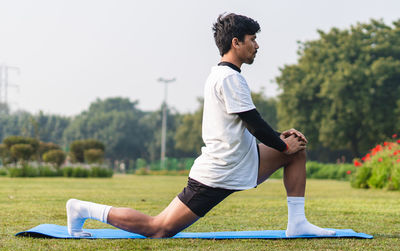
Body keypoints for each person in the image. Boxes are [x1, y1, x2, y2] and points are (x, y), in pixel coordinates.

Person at [66, 13, 335, 238]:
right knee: (159, 228)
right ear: (236, 42)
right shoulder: (228, 78)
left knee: (297, 150)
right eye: (252, 39)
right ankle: (82, 209)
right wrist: (280, 143)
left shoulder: (226, 75)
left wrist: (284, 140)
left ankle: (297, 224)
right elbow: (254, 123)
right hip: (219, 171)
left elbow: (251, 124)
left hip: (243, 160)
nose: (257, 45)